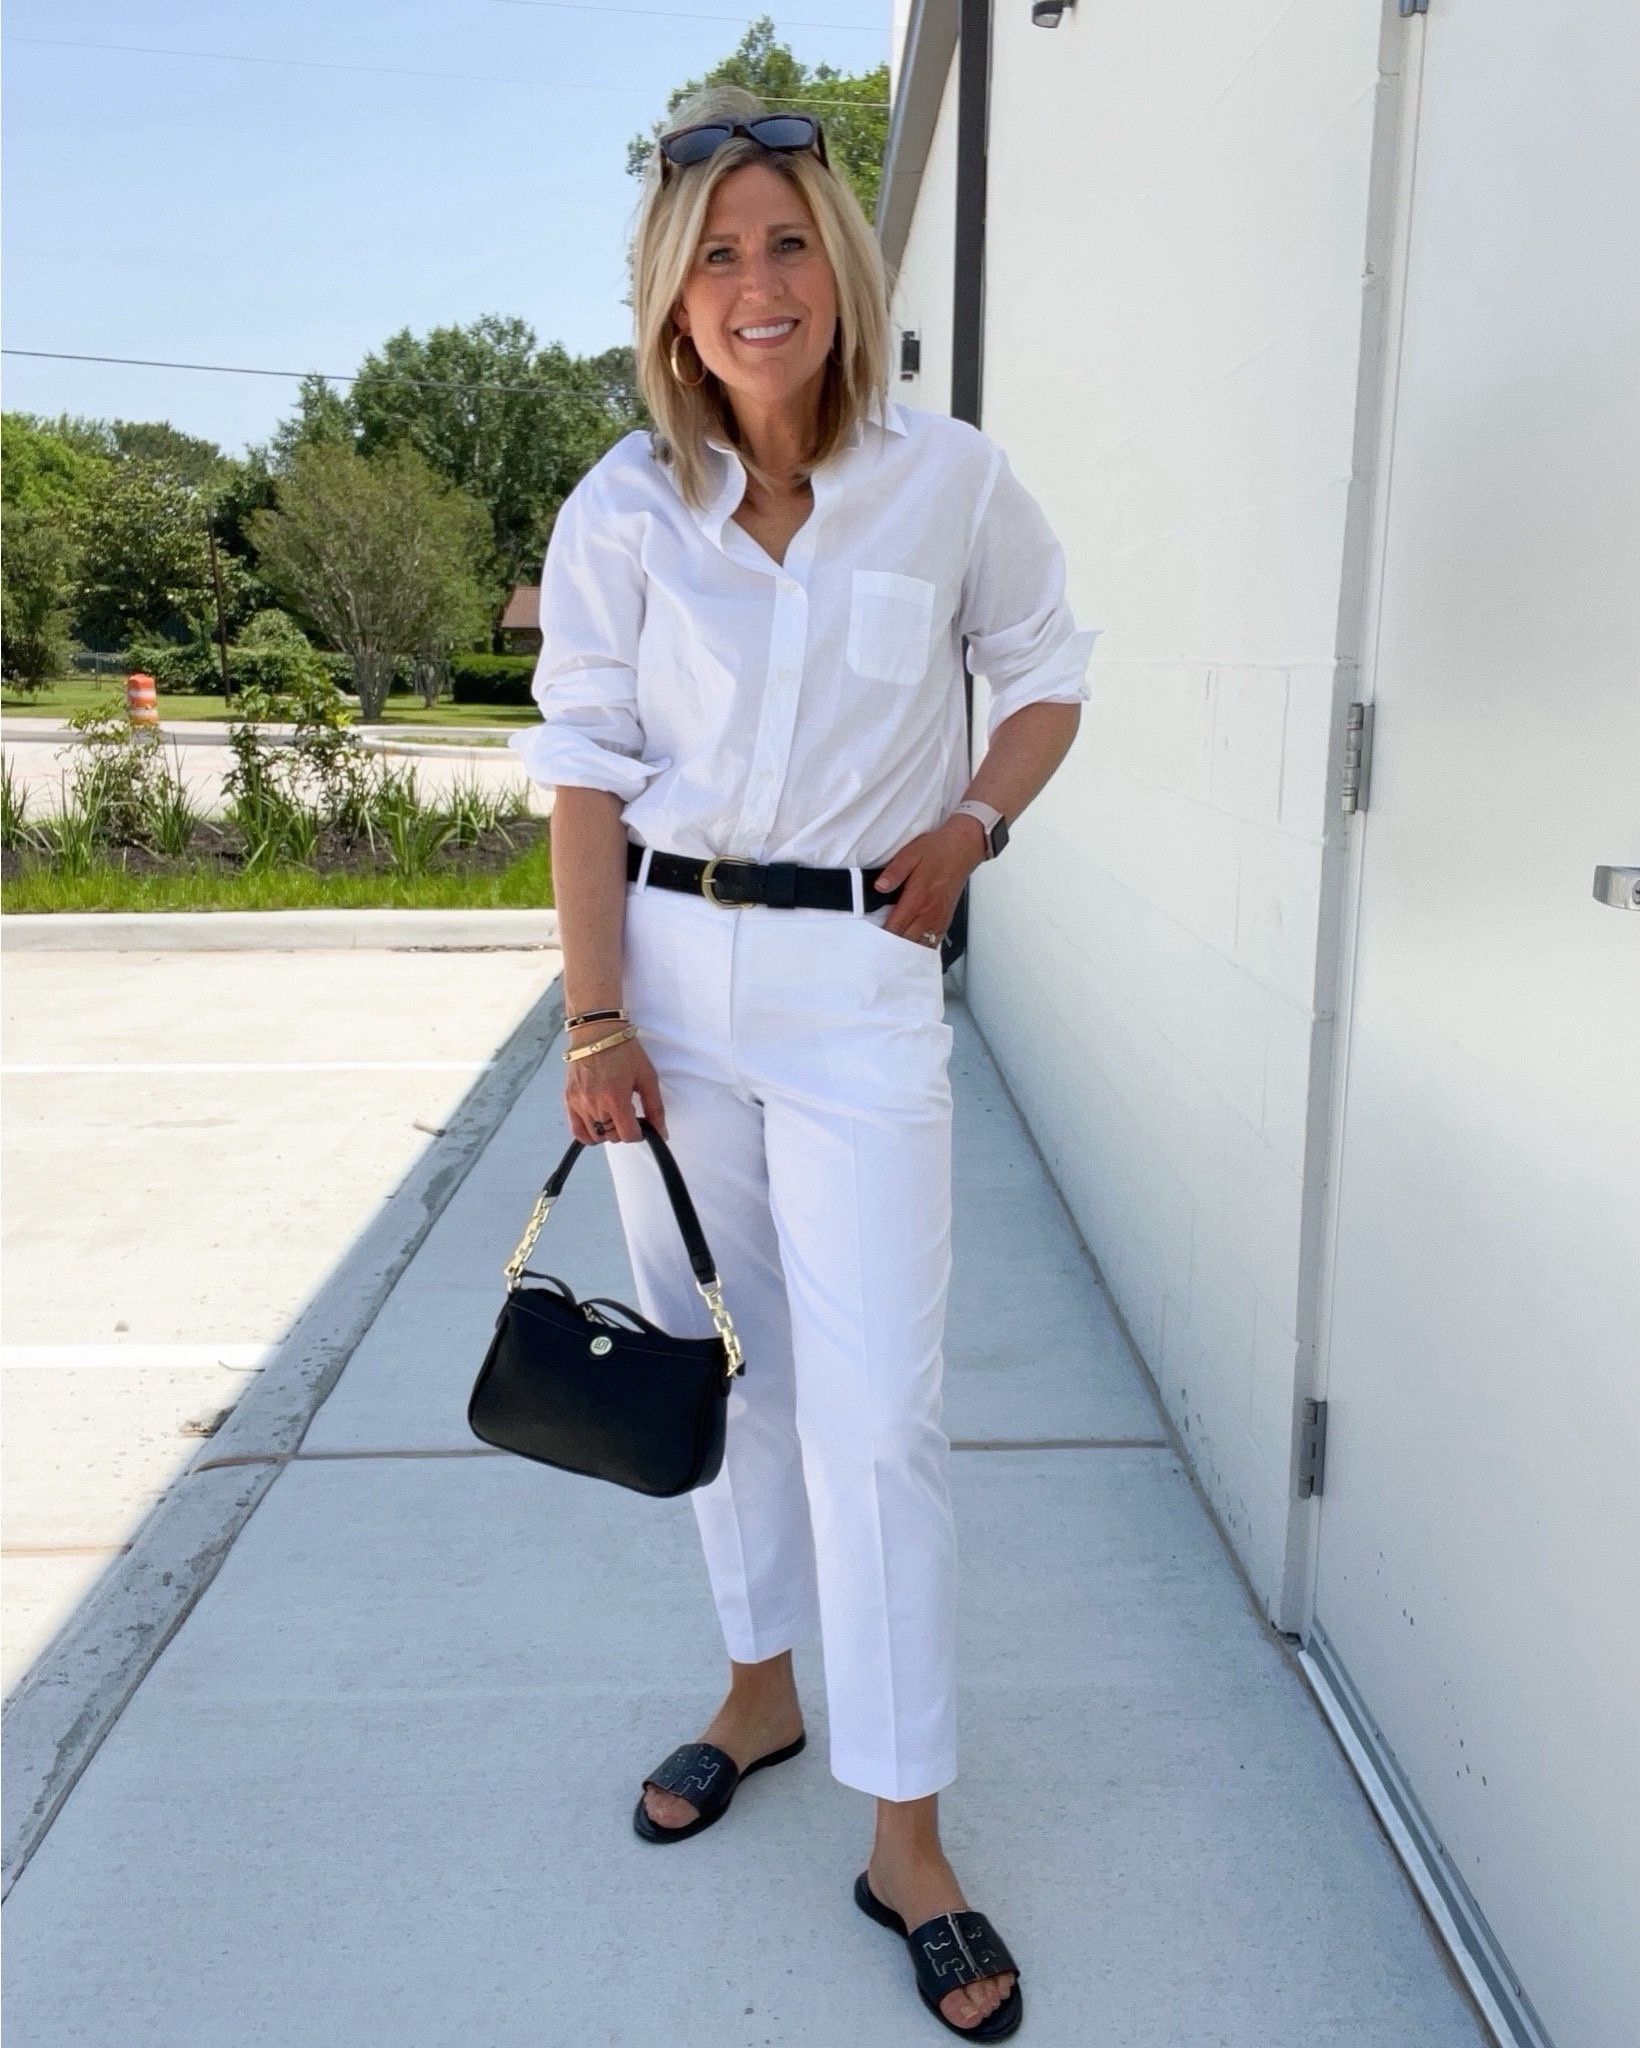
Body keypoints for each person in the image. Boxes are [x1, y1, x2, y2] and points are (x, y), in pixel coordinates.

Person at [511, 84, 1094, 2040]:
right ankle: (757, 1685)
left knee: (874, 1416)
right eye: (714, 260)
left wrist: (979, 823)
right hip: (662, 990)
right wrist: (593, 1019)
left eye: (783, 246)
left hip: (856, 988)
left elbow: (1051, 664)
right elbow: (584, 774)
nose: (755, 287)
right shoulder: (620, 508)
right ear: (672, 307)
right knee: (718, 1377)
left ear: (835, 272)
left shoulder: (949, 482)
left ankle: (903, 1830)